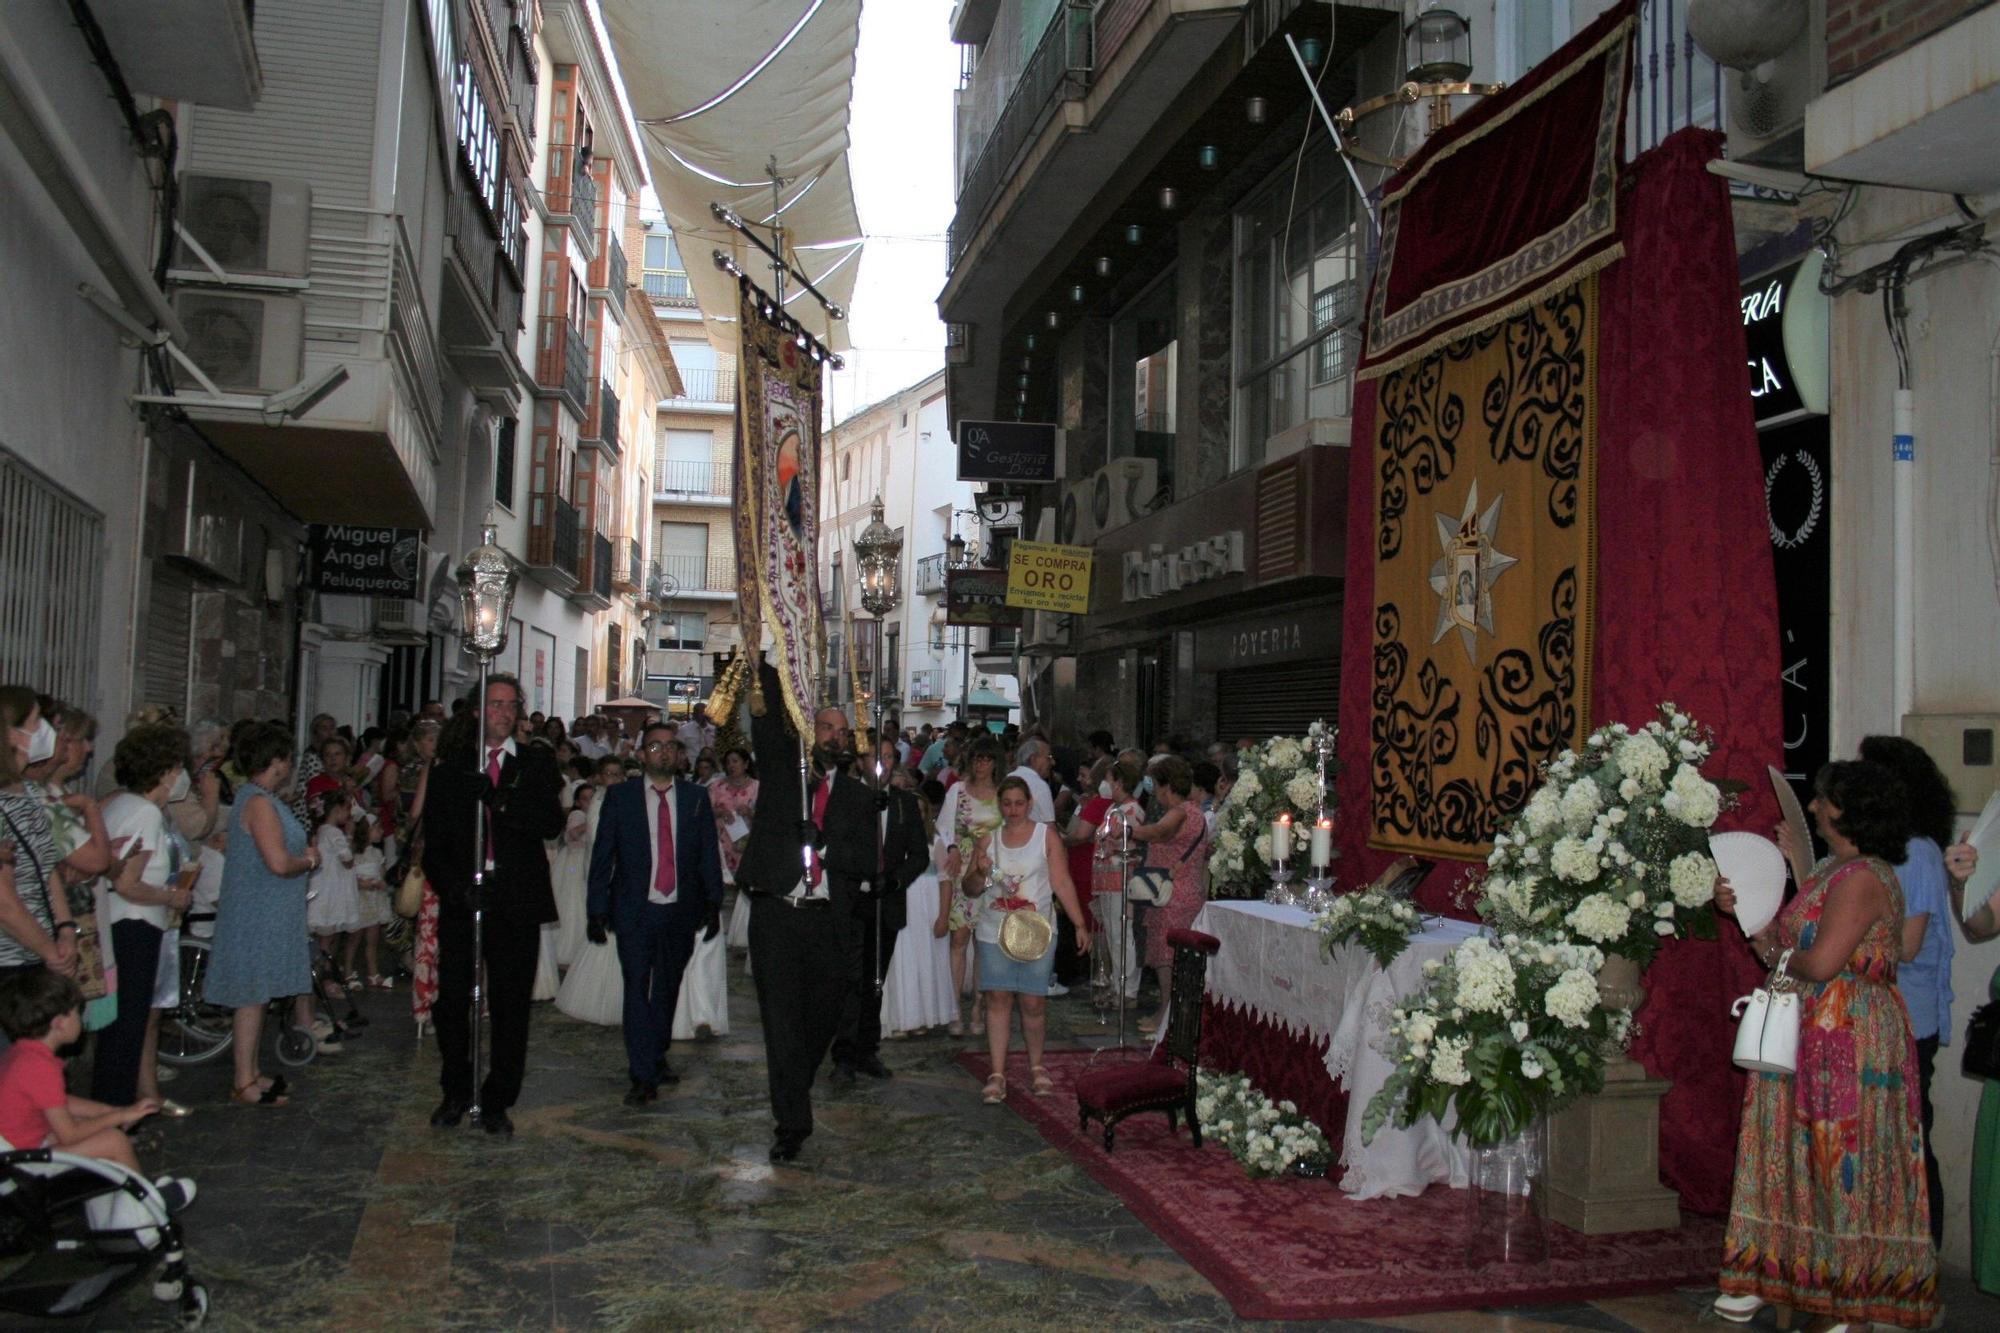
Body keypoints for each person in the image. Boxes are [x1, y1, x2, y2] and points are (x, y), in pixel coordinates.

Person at [1712, 760, 1937, 1331]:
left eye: (1822, 799)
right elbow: (1788, 948)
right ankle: (1793, 1278)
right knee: (1797, 1157)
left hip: (1849, 1037)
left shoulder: (1863, 876)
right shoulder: (1833, 870)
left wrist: (1776, 952)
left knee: (1841, 1164)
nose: (1812, 808)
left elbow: (1822, 961)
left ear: (1849, 811)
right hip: (1812, 1028)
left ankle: (1846, 1296)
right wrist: (1750, 920)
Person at [422, 675, 566, 1137]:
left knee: (510, 1006)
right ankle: (455, 1088)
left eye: (510, 706)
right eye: (495, 704)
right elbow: (435, 846)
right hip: (467, 898)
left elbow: (549, 823)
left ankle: (499, 1095)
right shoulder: (451, 769)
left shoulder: (536, 764)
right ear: (479, 711)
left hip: (515, 901)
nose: (502, 713)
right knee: (453, 1001)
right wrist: (456, 887)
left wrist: (501, 802)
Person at [735, 673, 848, 1163]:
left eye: (841, 733)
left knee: (823, 1019)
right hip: (778, 914)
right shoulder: (784, 774)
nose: (833, 738)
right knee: (780, 1024)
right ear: (808, 731)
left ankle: (792, 1084)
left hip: (827, 921)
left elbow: (867, 861)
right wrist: (773, 656)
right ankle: (791, 1123)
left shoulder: (859, 797)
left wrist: (826, 844)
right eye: (825, 728)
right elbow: (766, 724)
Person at [586, 728, 723, 1106]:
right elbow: (603, 856)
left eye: (670, 747)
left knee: (667, 986)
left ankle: (655, 1053)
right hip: (634, 909)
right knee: (636, 986)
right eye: (654, 746)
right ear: (642, 754)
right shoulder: (621, 797)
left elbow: (707, 854)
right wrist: (596, 908)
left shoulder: (695, 798)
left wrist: (713, 901)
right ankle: (642, 1072)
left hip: (680, 908)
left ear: (680, 755)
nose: (662, 753)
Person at [1857, 733, 1956, 1251]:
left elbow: (1908, 946)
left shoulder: (1917, 852)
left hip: (1909, 1016)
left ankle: (1924, 1263)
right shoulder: (1884, 849)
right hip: (1881, 1014)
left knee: (1908, 1141)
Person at [0, 970, 194, 1211]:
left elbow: (59, 1101)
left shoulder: (23, 1053)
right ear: (59, 1023)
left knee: (96, 1129)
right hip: (25, 1162)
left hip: (18, 1152)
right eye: (76, 1013)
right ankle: (148, 1206)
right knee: (113, 1141)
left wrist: (109, 1111)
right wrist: (118, 1117)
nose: (81, 1020)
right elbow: (69, 1134)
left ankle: (117, 1207)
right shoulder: (40, 1066)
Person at [203, 721, 318, 1107]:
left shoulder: (257, 797)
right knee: (251, 996)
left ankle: (250, 1072)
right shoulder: (258, 803)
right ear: (278, 761)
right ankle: (243, 1080)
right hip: (258, 910)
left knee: (258, 997)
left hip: (265, 907)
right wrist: (308, 860)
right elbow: (278, 862)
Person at [960, 777, 1091, 1103]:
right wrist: (978, 871)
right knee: (998, 1000)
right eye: (1007, 804)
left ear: (1029, 804)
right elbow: (971, 889)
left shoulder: (1045, 836)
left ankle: (1036, 1066)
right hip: (995, 930)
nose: (1014, 810)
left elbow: (1061, 880)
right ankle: (997, 1072)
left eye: (1019, 803)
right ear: (1000, 806)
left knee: (1033, 1002)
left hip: (1036, 930)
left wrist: (1078, 922)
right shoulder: (987, 840)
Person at [92, 724, 195, 1110]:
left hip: (118, 924)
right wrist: (172, 896)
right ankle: (116, 1112)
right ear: (166, 769)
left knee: (117, 1027)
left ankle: (113, 1106)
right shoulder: (146, 813)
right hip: (135, 924)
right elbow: (130, 883)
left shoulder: (120, 804)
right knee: (127, 1027)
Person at [823, 737, 929, 1082]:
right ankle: (843, 1054)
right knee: (850, 979)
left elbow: (919, 855)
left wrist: (895, 880)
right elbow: (835, 846)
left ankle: (867, 1049)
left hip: (886, 901)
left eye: (887, 757)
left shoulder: (903, 804)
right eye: (874, 757)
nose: (880, 764)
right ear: (861, 762)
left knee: (874, 980)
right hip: (852, 900)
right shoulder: (847, 799)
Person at [0, 687, 82, 987]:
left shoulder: (32, 792)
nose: (44, 731)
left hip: (39, 954)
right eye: (37, 722)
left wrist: (64, 929)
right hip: (9, 960)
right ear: (12, 733)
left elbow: (47, 869)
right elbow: (4, 901)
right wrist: (50, 951)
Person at [1127, 756, 1207, 1034]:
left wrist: (1128, 831)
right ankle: (1167, 1012)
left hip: (1173, 896)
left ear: (1166, 786)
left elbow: (1159, 832)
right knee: (1169, 959)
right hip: (1176, 893)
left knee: (1167, 959)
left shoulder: (1181, 812)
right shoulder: (1193, 811)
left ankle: (1168, 1018)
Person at [935, 737, 1003, 1037]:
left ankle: (978, 1006)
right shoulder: (957, 791)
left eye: (987, 758)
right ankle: (954, 1008)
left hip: (991, 871)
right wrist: (951, 848)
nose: (981, 764)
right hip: (963, 869)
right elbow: (943, 828)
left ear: (995, 762)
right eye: (977, 758)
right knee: (959, 939)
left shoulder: (1004, 794)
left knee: (984, 943)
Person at [709, 747, 759, 949]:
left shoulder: (757, 787)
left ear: (746, 764)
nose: (732, 766)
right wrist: (719, 812)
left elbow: (766, 815)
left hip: (746, 842)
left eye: (736, 761)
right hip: (723, 842)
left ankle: (743, 932)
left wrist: (750, 812)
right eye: (728, 761)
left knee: (745, 887)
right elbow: (704, 811)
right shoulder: (716, 786)